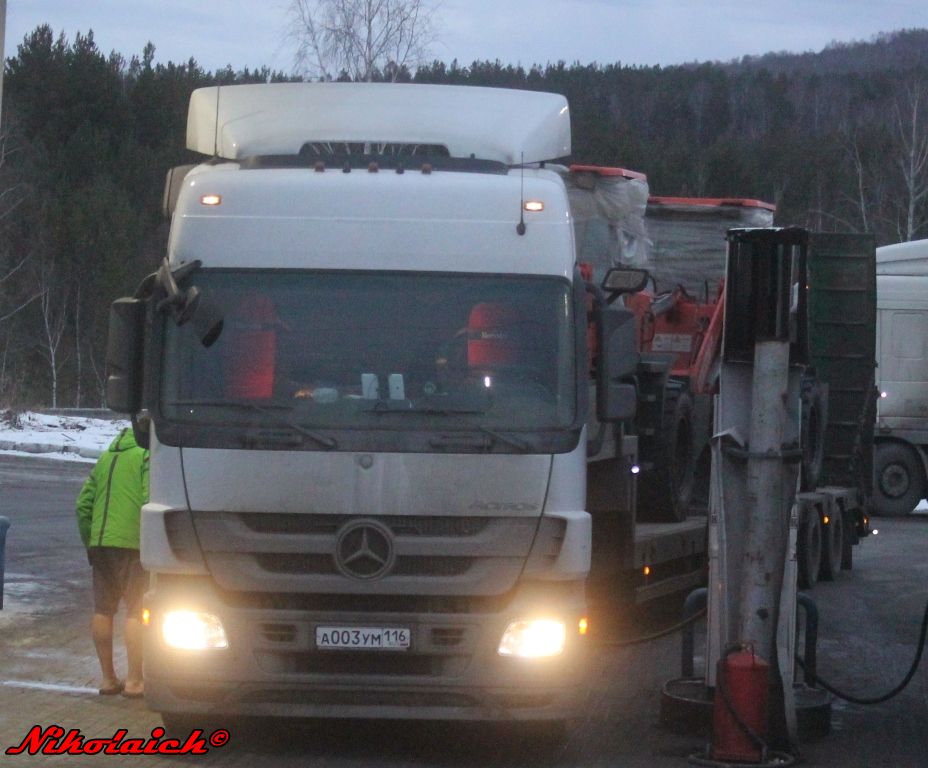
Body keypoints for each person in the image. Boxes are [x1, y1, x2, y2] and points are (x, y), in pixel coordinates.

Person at [76, 418, 150, 698]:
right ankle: (134, 681)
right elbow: (149, 499)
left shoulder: (105, 458)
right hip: (132, 546)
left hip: (100, 544)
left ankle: (108, 679)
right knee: (137, 610)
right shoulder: (145, 456)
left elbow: (82, 505)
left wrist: (91, 541)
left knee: (103, 610)